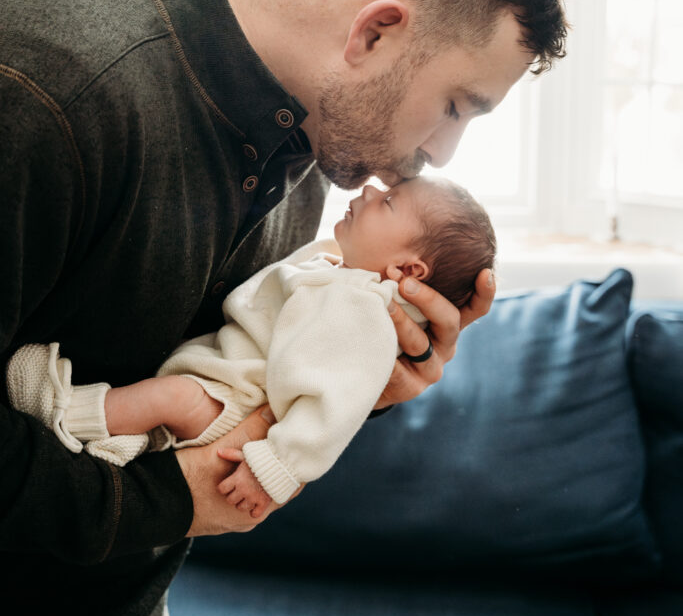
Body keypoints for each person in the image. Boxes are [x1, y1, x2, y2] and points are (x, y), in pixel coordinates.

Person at [0, 0, 569, 616]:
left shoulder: (305, 152)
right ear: (376, 30)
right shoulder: (45, 89)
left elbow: (214, 375)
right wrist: (161, 503)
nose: (442, 155)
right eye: (454, 105)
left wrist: (364, 379)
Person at [8, 176, 496, 519]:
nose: (369, 190)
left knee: (171, 398)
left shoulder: (364, 308)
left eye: (388, 202)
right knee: (165, 398)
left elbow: (335, 405)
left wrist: (276, 468)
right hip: (225, 380)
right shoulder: (338, 273)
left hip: (235, 404)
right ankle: (107, 433)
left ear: (408, 272)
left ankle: (60, 414)